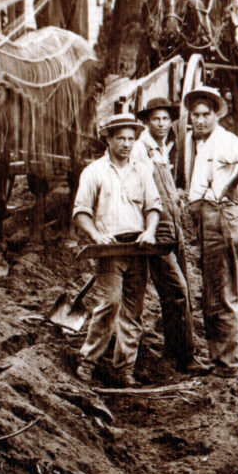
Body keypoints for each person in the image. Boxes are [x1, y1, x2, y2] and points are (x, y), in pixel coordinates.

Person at [73, 113, 162, 386]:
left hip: (138, 248)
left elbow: (153, 207)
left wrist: (150, 231)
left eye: (131, 139)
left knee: (133, 311)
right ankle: (88, 362)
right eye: (120, 138)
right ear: (108, 140)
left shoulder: (142, 171)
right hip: (109, 251)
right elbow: (81, 212)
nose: (126, 144)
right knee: (110, 303)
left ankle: (124, 369)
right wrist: (96, 235)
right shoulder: (94, 172)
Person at [181, 86, 238, 378]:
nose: (200, 120)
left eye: (206, 114)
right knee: (230, 289)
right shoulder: (202, 143)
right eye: (195, 115)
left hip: (220, 220)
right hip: (211, 217)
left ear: (216, 115)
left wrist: (230, 186)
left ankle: (226, 364)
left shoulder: (224, 140)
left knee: (218, 293)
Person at [131, 96, 211, 374]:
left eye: (166, 119)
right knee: (176, 291)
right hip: (157, 228)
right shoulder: (140, 150)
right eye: (156, 119)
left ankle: (173, 351)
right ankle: (185, 356)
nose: (162, 124)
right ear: (146, 121)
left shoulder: (161, 147)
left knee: (182, 287)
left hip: (173, 224)